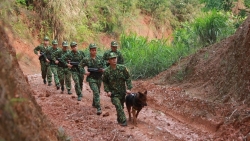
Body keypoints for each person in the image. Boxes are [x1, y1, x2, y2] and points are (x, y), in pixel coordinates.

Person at [102, 52, 132, 126]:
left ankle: (119, 119)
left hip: (122, 92)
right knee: (118, 105)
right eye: (112, 59)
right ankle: (124, 121)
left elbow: (128, 78)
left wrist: (129, 88)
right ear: (109, 61)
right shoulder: (106, 71)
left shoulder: (122, 68)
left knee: (121, 107)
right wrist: (107, 91)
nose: (114, 60)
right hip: (114, 94)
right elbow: (105, 82)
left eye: (115, 58)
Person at [80, 43, 105, 115]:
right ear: (90, 51)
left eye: (95, 50)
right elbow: (80, 66)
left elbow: (105, 66)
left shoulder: (100, 58)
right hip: (91, 78)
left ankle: (94, 103)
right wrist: (85, 72)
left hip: (99, 78)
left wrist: (103, 70)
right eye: (92, 50)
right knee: (96, 91)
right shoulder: (86, 59)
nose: (94, 51)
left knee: (97, 91)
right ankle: (98, 108)